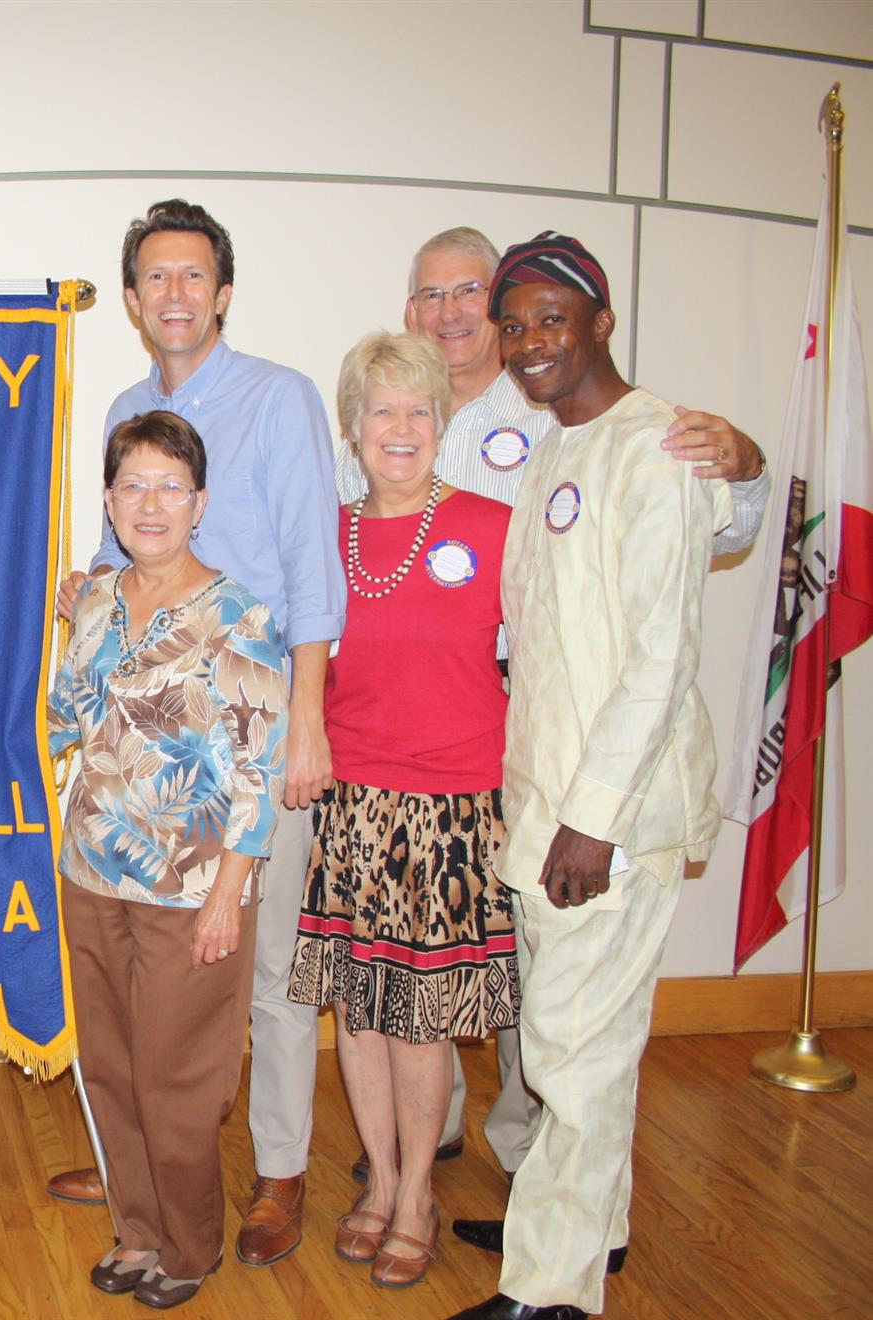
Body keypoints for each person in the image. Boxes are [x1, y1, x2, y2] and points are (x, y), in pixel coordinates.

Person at [339, 227, 772, 1194]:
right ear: (411, 312)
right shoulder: (395, 421)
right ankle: (447, 1155)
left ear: (587, 323)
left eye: (472, 294)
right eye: (433, 295)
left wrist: (744, 466)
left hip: (548, 734)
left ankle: (539, 1183)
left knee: (550, 1006)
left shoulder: (561, 415)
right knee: (489, 972)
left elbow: (707, 535)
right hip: (468, 738)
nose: (456, 313)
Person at [50, 199, 343, 1268]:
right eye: (155, 278)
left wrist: (306, 717)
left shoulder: (281, 397)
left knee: (256, 971)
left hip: (251, 735)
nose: (173, 294)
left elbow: (313, 564)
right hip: (137, 776)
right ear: (133, 299)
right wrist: (86, 593)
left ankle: (277, 1172)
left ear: (221, 293)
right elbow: (118, 553)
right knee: (146, 1006)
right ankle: (152, 1176)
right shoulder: (131, 405)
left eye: (192, 276)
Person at [446, 234, 730, 1320]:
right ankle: (579, 1226)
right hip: (545, 804)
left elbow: (662, 656)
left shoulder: (658, 446)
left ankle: (551, 1290)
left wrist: (594, 820)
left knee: (574, 1054)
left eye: (551, 319)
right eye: (514, 325)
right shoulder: (557, 445)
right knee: (573, 1042)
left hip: (609, 820)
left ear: (601, 321)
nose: (529, 342)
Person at [288, 332, 518, 1291]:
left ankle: (418, 1195)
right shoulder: (327, 537)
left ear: (442, 423)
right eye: (381, 409)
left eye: (419, 410)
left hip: (453, 808)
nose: (400, 427)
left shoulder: (494, 526)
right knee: (362, 1011)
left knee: (422, 1020)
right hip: (353, 803)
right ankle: (378, 1182)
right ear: (352, 425)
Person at [50, 410, 288, 1310]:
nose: (150, 505)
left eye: (170, 488)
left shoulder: (238, 615)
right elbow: (65, 715)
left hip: (192, 887)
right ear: (109, 502)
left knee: (175, 1079)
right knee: (111, 1069)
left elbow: (262, 769)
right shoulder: (96, 600)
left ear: (200, 503)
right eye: (133, 487)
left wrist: (230, 891)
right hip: (91, 874)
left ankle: (189, 1244)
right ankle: (138, 1230)